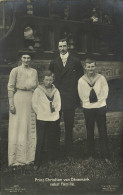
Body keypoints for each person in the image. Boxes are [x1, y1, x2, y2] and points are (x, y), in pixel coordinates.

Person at [49, 38, 84, 154]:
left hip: (70, 98)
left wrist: (78, 96)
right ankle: (56, 150)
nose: (62, 48)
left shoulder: (75, 61)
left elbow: (80, 79)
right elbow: (51, 79)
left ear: (68, 46)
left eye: (64, 46)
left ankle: (69, 150)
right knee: (55, 124)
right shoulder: (54, 62)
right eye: (60, 46)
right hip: (58, 98)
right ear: (58, 47)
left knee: (69, 125)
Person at [8, 49, 38, 166]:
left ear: (31, 59)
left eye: (28, 58)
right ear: (21, 59)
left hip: (31, 99)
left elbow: (36, 87)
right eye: (24, 58)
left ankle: (29, 157)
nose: (26, 60)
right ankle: (16, 159)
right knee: (18, 126)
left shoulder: (34, 71)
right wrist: (11, 104)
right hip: (19, 98)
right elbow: (10, 88)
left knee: (29, 126)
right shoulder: (15, 71)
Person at [78, 58, 109, 160]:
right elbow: (81, 94)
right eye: (88, 66)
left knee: (103, 131)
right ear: (85, 67)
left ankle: (105, 154)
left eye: (92, 66)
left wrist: (100, 101)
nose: (90, 68)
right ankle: (91, 154)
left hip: (100, 107)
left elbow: (105, 91)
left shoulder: (101, 78)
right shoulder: (81, 80)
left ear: (95, 67)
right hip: (88, 108)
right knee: (90, 130)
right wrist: (88, 103)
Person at [32, 70, 61, 168]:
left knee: (52, 139)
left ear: (53, 80)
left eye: (50, 80)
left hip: (53, 118)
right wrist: (41, 113)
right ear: (43, 80)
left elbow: (58, 104)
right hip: (42, 118)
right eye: (46, 80)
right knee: (40, 139)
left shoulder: (55, 91)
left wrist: (54, 113)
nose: (48, 82)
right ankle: (37, 162)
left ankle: (51, 159)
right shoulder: (38, 90)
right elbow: (34, 104)